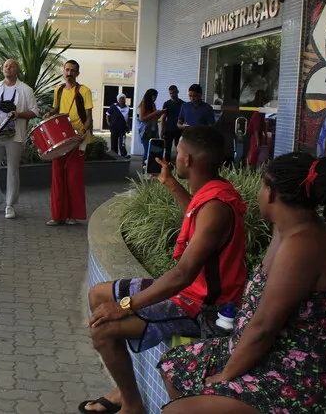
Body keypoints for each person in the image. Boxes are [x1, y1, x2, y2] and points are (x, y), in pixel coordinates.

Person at [159, 153, 326, 414]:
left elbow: (264, 327)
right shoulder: (285, 229)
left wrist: (225, 375)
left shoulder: (303, 245)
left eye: (262, 185)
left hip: (300, 373)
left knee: (179, 410)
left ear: (272, 193)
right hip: (266, 350)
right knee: (174, 367)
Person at [79, 125, 247, 414]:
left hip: (204, 306)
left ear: (188, 161)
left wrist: (126, 306)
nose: (174, 156)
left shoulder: (216, 208)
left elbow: (182, 275)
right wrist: (170, 183)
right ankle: (123, 389)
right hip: (191, 292)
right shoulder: (213, 192)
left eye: (179, 151)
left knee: (103, 331)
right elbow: (195, 214)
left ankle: (133, 406)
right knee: (97, 295)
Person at [0, 59, 39, 220]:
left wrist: (19, 115)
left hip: (15, 136)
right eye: (6, 66)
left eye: (12, 66)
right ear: (3, 69)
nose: (8, 68)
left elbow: (34, 111)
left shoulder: (25, 89)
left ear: (17, 70)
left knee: (12, 170)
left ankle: (9, 205)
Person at [46, 60, 93, 226]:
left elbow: (88, 117)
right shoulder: (57, 90)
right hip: (60, 139)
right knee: (57, 177)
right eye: (67, 70)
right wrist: (49, 114)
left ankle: (72, 215)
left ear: (77, 73)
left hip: (77, 139)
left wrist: (83, 132)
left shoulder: (84, 91)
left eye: (73, 70)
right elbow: (56, 109)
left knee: (73, 178)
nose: (69, 73)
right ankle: (57, 215)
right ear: (63, 71)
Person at [137, 88, 165, 167]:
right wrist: (155, 113)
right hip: (146, 130)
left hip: (153, 129)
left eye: (156, 97)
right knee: (147, 150)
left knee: (154, 150)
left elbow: (155, 118)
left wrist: (160, 113)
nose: (155, 98)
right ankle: (144, 170)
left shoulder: (153, 104)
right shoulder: (143, 104)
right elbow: (142, 118)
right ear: (149, 96)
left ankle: (151, 169)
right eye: (154, 96)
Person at [161, 85, 183, 162]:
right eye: (170, 93)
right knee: (167, 149)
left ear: (177, 92)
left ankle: (179, 165)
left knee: (180, 149)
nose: (172, 95)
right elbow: (163, 118)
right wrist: (162, 131)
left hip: (179, 130)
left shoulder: (183, 104)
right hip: (169, 129)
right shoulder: (166, 104)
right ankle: (167, 166)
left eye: (173, 93)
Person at [106, 93, 130, 158]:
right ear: (118, 100)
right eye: (120, 98)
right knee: (114, 142)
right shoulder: (113, 106)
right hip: (114, 128)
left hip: (123, 128)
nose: (122, 100)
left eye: (123, 98)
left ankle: (124, 155)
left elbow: (128, 118)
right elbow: (108, 114)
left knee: (122, 143)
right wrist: (108, 122)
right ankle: (114, 155)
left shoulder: (127, 107)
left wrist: (128, 127)